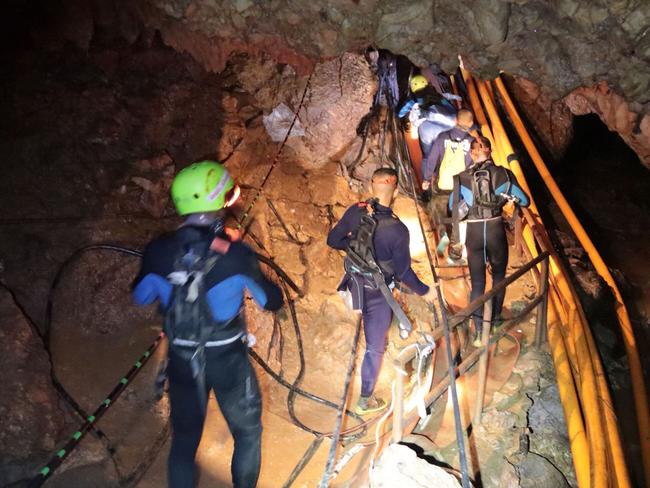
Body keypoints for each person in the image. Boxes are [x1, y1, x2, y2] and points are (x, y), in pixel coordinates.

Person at [132, 161, 283, 488]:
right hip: (227, 359)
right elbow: (271, 301)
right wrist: (240, 257)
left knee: (184, 441)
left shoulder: (158, 250)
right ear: (218, 200)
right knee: (247, 431)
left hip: (183, 360)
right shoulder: (235, 253)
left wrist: (170, 284)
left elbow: (141, 297)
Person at [327, 167, 436, 415]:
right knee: (374, 347)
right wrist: (425, 291)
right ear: (395, 191)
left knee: (369, 323)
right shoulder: (398, 230)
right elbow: (404, 273)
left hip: (353, 286)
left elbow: (333, 240)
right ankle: (364, 400)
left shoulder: (355, 211)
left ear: (370, 188)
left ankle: (366, 397)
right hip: (378, 295)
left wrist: (355, 249)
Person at [447, 137, 530, 346]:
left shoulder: (460, 178)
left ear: (472, 153)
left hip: (473, 234)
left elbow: (452, 206)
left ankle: (477, 333)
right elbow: (525, 200)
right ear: (490, 151)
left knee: (477, 283)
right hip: (495, 231)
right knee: (499, 278)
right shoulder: (504, 174)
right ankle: (493, 323)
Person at [420, 109, 476, 245]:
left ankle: (443, 246)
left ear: (456, 120)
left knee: (440, 215)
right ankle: (458, 245)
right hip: (461, 187)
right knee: (459, 215)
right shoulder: (472, 142)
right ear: (471, 123)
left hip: (443, 185)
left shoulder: (443, 137)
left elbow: (432, 159)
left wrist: (427, 178)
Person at [398, 74, 458, 161]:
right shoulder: (438, 96)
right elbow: (451, 109)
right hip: (446, 127)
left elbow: (400, 113)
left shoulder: (413, 100)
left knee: (429, 155)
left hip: (428, 132)